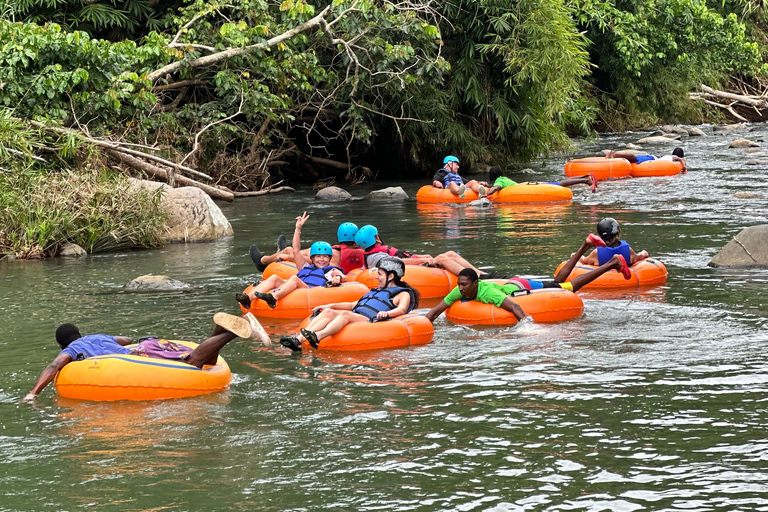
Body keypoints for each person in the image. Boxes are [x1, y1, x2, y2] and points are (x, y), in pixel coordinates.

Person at [20, 312, 266, 403]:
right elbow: (125, 339)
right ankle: (218, 329)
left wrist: (33, 393)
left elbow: (54, 365)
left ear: (63, 343)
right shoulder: (96, 336)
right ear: (80, 333)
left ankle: (236, 330)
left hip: (141, 356)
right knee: (208, 363)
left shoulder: (72, 350)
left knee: (193, 363)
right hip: (144, 345)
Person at [425, 233, 633, 323]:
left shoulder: (487, 292)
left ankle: (612, 263)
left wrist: (528, 328)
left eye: (464, 285)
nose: (461, 289)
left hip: (521, 287)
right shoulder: (457, 291)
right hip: (510, 283)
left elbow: (515, 308)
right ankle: (586, 245)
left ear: (475, 283)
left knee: (568, 287)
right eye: (460, 285)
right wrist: (424, 322)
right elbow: (434, 312)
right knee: (561, 282)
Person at [279, 257, 419, 351]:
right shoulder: (376, 290)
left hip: (371, 320)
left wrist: (388, 313)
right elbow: (353, 305)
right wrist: (330, 305)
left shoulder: (402, 293)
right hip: (357, 315)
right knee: (328, 313)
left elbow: (402, 309)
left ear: (391, 276)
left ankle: (318, 337)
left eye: (380, 274)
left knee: (345, 315)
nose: (376, 277)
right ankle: (298, 341)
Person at [237, 212, 346, 309]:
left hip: (310, 292)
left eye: (325, 257)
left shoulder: (331, 271)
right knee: (275, 278)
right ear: (312, 258)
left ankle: (274, 298)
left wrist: (338, 278)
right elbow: (296, 250)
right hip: (297, 290)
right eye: (318, 256)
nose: (321, 259)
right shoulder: (305, 267)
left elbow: (343, 277)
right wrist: (298, 229)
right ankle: (249, 299)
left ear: (329, 259)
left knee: (294, 279)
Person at [354, 224, 497, 279]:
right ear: (375, 238)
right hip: (412, 270)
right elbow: (396, 262)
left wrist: (423, 256)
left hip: (414, 266)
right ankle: (473, 278)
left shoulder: (374, 253)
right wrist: (422, 260)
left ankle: (481, 274)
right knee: (441, 257)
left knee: (451, 253)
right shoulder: (375, 257)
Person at [249, 223, 363, 274]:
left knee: (290, 251)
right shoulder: (362, 252)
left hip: (322, 274)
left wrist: (288, 257)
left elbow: (310, 260)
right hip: (348, 276)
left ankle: (263, 261)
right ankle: (282, 250)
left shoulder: (334, 253)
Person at [579, 217, 649, 266]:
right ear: (618, 232)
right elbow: (638, 257)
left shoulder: (596, 253)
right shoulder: (627, 249)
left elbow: (584, 261)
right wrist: (643, 253)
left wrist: (575, 255)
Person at [485, 166, 598, 195]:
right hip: (529, 185)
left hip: (530, 187)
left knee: (560, 184)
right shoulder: (503, 179)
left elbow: (496, 188)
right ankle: (585, 177)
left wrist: (486, 195)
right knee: (560, 182)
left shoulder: (499, 182)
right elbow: (496, 186)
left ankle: (586, 180)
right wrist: (488, 187)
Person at [606, 147, 687, 172]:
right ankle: (615, 154)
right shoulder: (673, 158)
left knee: (634, 160)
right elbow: (681, 160)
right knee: (634, 159)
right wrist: (684, 167)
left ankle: (616, 155)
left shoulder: (668, 157)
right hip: (652, 159)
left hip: (653, 158)